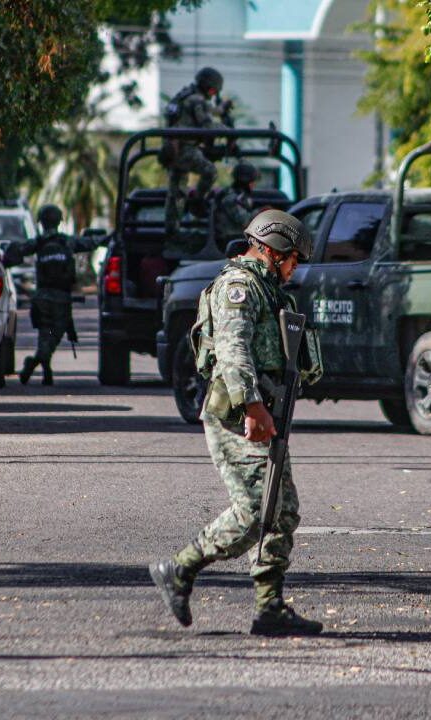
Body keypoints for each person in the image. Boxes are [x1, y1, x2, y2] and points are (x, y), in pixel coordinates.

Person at [149, 209, 325, 636]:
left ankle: (270, 607)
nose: (295, 267)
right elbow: (233, 353)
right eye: (293, 258)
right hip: (236, 415)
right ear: (273, 247)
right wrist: (252, 408)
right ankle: (179, 568)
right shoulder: (238, 288)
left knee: (281, 512)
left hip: (267, 411)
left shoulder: (272, 291)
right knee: (253, 512)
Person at [1, 204, 102, 386]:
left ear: (41, 222)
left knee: (45, 334)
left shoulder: (38, 243)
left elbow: (16, 252)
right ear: (59, 220)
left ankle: (46, 372)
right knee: (53, 336)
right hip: (60, 299)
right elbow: (91, 243)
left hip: (42, 299)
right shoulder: (67, 242)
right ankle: (32, 364)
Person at [163, 66, 230, 236]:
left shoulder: (185, 95)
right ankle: (197, 202)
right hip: (184, 148)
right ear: (210, 88)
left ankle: (172, 230)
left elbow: (203, 110)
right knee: (210, 171)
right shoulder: (197, 100)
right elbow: (207, 125)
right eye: (214, 91)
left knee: (177, 191)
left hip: (171, 148)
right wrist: (228, 130)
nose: (214, 94)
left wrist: (220, 109)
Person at [212, 162, 259, 251]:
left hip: (233, 237)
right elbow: (245, 221)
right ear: (246, 181)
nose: (254, 184)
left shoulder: (238, 195)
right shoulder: (231, 198)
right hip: (228, 241)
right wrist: (261, 212)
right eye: (252, 181)